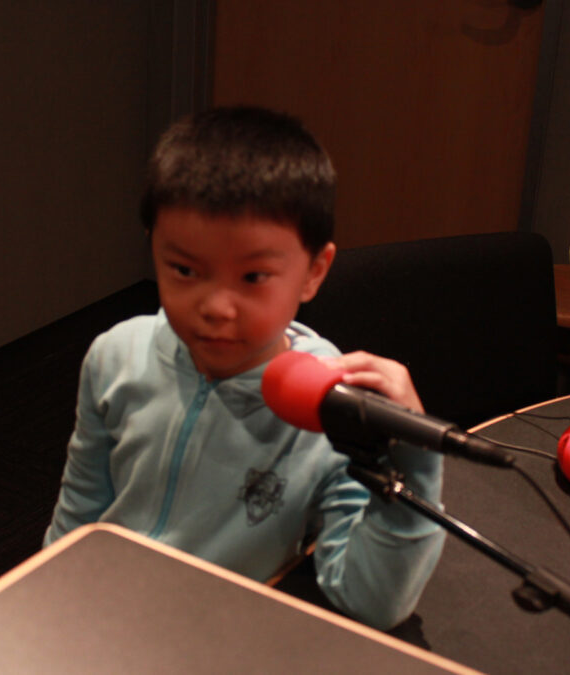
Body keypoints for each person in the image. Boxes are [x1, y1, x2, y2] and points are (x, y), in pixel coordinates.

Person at [43, 106, 444, 631]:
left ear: (313, 272)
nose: (215, 307)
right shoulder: (116, 355)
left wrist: (413, 462)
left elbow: (371, 602)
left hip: (221, 634)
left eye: (253, 276)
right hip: (104, 614)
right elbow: (80, 514)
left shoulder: (333, 409)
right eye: (184, 269)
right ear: (154, 250)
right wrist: (46, 602)